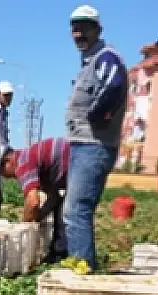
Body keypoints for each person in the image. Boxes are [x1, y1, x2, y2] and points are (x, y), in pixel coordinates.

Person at [65, 4, 128, 269]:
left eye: (85, 28)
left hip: (94, 146)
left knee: (75, 209)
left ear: (98, 30)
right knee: (77, 208)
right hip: (84, 145)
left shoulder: (105, 57)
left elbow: (114, 85)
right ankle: (82, 263)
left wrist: (97, 114)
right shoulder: (91, 62)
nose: (79, 33)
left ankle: (82, 267)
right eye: (75, 28)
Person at [0, 138, 71, 263]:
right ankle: (60, 253)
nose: (5, 177)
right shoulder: (36, 167)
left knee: (74, 213)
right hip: (75, 162)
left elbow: (32, 201)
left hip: (81, 160)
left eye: (1, 172)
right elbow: (54, 198)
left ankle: (78, 259)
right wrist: (37, 217)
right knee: (62, 208)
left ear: (8, 161)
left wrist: (24, 225)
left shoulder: (23, 163)